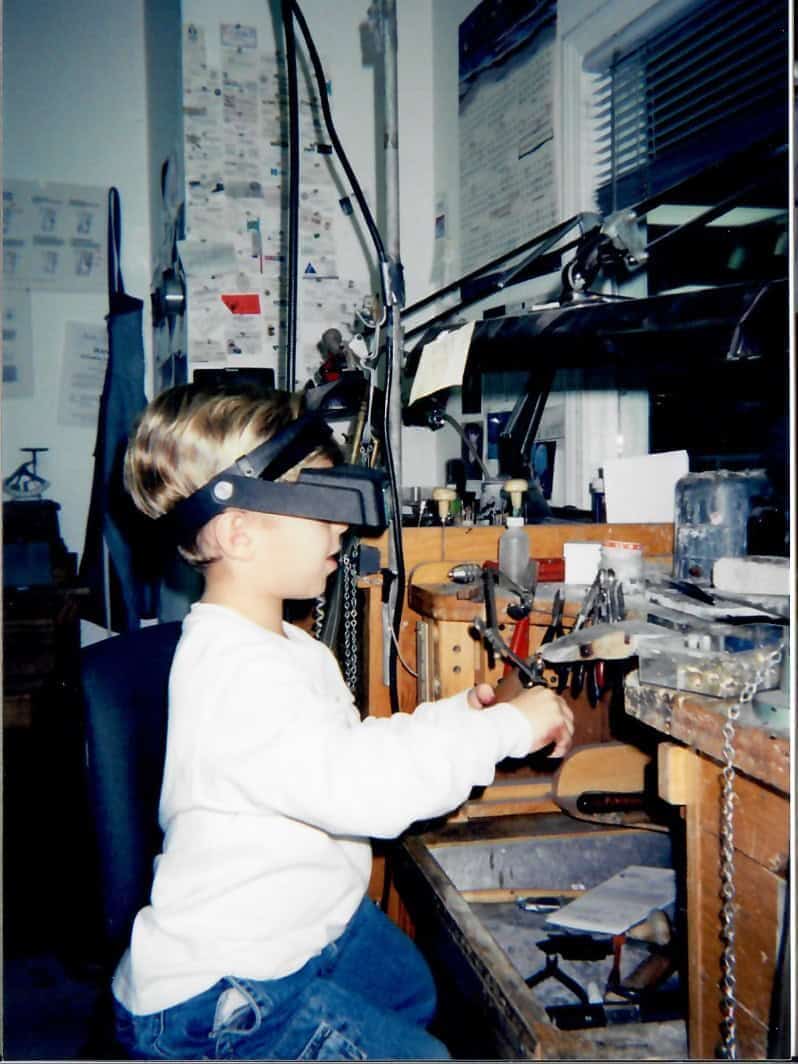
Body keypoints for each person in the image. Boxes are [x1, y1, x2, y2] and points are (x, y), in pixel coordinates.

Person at [112, 381, 574, 1060]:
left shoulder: (285, 645)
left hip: (298, 925)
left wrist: (458, 720)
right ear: (239, 532)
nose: (341, 528)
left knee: (406, 989)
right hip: (225, 997)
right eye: (322, 508)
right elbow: (363, 790)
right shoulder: (238, 673)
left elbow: (348, 751)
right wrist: (503, 732)